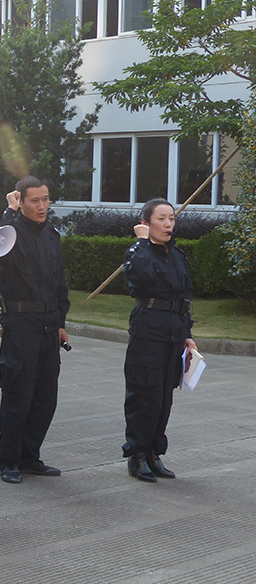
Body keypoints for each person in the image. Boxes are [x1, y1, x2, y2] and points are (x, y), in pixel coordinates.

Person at [0, 177, 70, 484]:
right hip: (20, 326)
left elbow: (59, 282)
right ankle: (8, 460)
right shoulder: (9, 231)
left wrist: (61, 322)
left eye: (46, 199)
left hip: (49, 325)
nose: (42, 206)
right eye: (35, 201)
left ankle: (30, 456)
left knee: (44, 397)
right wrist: (9, 213)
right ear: (21, 201)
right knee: (17, 395)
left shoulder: (51, 236)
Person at [122, 198, 197, 482]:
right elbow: (139, 278)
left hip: (173, 332)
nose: (168, 225)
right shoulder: (137, 252)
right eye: (162, 219)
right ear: (146, 224)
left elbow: (185, 296)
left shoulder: (177, 255)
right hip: (148, 330)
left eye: (172, 219)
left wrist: (187, 334)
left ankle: (154, 452)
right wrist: (142, 243)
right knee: (144, 392)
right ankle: (137, 455)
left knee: (164, 394)